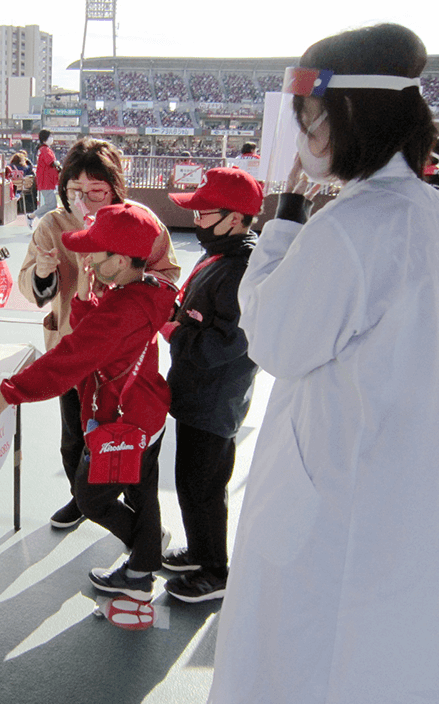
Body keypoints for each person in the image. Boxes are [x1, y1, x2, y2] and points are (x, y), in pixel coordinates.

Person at [208, 24, 439, 703]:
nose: (304, 138)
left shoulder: (353, 229)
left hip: (335, 507)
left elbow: (272, 337)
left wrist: (287, 215)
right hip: (406, 497)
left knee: (307, 666)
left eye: (309, 119)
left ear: (346, 114)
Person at [0, 203, 178, 600]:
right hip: (146, 413)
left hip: (123, 423)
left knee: (92, 498)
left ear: (118, 261)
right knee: (142, 489)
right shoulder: (146, 290)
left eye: (94, 252)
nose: (86, 257)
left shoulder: (120, 309)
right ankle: (149, 545)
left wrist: (9, 392)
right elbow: (102, 342)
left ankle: (141, 570)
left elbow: (71, 358)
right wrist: (84, 298)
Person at [17, 137, 181, 529]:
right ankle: (82, 498)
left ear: (114, 189)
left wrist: (129, 287)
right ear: (63, 187)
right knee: (75, 438)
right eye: (77, 190)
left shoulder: (139, 221)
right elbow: (30, 287)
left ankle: (136, 522)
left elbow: (168, 275)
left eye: (98, 191)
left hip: (126, 358)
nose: (87, 200)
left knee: (129, 438)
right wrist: (42, 272)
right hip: (74, 350)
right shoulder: (53, 225)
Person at [158, 167, 261, 603]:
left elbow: (227, 343)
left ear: (234, 217)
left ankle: (215, 571)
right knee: (190, 481)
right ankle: (201, 551)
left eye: (203, 213)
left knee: (204, 486)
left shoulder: (243, 270)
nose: (195, 220)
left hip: (215, 398)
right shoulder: (220, 253)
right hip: (199, 392)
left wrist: (174, 331)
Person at [29, 129, 60, 227]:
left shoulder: (42, 149)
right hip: (46, 181)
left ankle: (48, 223)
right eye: (50, 136)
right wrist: (59, 165)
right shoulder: (45, 150)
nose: (52, 138)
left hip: (46, 180)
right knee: (51, 205)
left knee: (52, 204)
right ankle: (31, 216)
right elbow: (51, 162)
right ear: (45, 138)